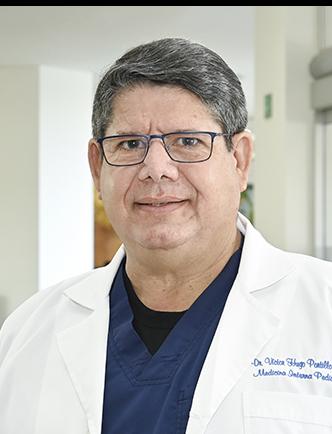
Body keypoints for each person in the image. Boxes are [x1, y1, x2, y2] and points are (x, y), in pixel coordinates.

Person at [0, 37, 332, 434]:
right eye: (129, 144)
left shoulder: (322, 312)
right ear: (97, 167)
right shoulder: (28, 332)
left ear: (239, 160)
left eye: (188, 141)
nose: (156, 168)